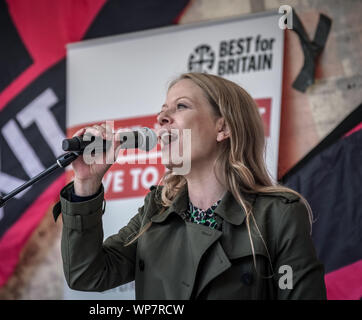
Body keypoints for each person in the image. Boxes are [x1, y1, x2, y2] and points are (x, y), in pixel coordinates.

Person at [53, 72, 327, 299]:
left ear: (224, 128)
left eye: (181, 106)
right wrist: (86, 183)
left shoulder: (278, 215)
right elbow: (86, 275)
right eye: (162, 112)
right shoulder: (156, 209)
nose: (161, 119)